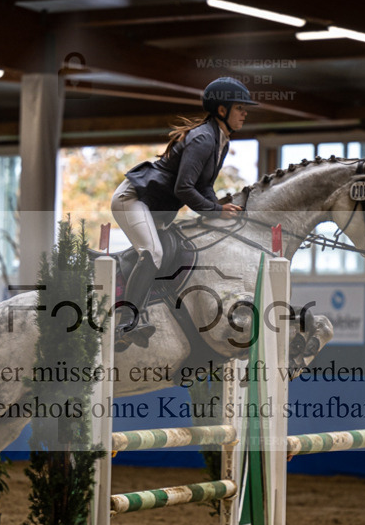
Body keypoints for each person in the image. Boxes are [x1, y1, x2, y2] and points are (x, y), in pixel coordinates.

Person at [110, 77, 257, 350]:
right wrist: (215, 210)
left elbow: (204, 187)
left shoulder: (219, 139)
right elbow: (184, 188)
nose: (245, 113)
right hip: (133, 199)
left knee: (165, 251)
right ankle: (125, 323)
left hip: (156, 208)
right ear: (222, 110)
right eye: (240, 108)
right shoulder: (203, 138)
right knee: (153, 253)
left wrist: (223, 212)